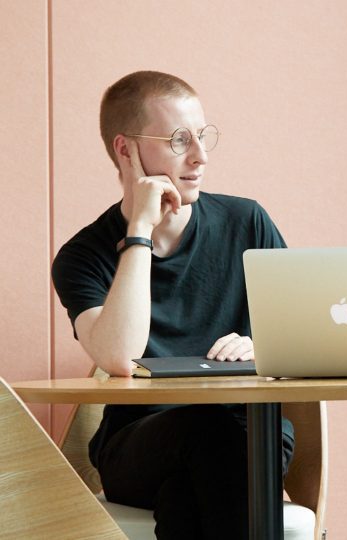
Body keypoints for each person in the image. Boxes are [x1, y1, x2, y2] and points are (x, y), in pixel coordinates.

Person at [52, 71, 294, 539]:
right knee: (208, 433)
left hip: (252, 433)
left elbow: (307, 334)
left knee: (185, 494)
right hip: (139, 446)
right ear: (126, 149)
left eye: (203, 136)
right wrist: (139, 232)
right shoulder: (82, 256)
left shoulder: (247, 222)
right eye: (180, 140)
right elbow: (119, 356)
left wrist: (264, 346)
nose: (201, 156)